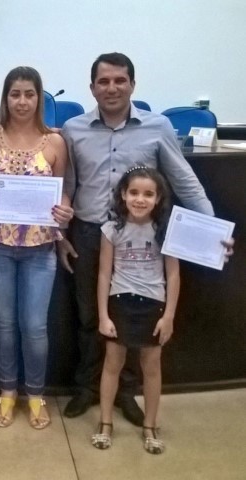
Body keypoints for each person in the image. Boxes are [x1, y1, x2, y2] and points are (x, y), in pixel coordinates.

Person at [60, 52, 234, 426]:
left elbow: (184, 180)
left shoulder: (157, 127)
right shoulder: (73, 129)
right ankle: (87, 388)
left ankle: (125, 392)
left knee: (131, 318)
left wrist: (212, 228)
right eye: (103, 81)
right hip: (89, 234)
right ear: (92, 87)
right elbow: (68, 186)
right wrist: (61, 234)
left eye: (119, 80)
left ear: (132, 84)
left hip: (139, 239)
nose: (112, 88)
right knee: (89, 315)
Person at [0, 67, 73, 429]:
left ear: (40, 98)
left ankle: (36, 395)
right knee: (5, 324)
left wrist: (65, 210)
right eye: (15, 94)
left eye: (29, 94)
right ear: (5, 97)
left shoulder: (55, 142)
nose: (22, 101)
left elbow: (63, 191)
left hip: (40, 250)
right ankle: (7, 392)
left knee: (34, 327)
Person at [91, 166, 178, 454]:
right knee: (112, 364)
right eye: (134, 192)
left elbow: (173, 275)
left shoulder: (165, 231)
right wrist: (103, 315)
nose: (140, 199)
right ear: (123, 195)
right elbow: (104, 273)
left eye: (148, 194)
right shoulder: (111, 229)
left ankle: (150, 426)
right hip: (120, 301)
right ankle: (105, 423)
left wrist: (168, 316)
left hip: (153, 303)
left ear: (158, 198)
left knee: (151, 367)